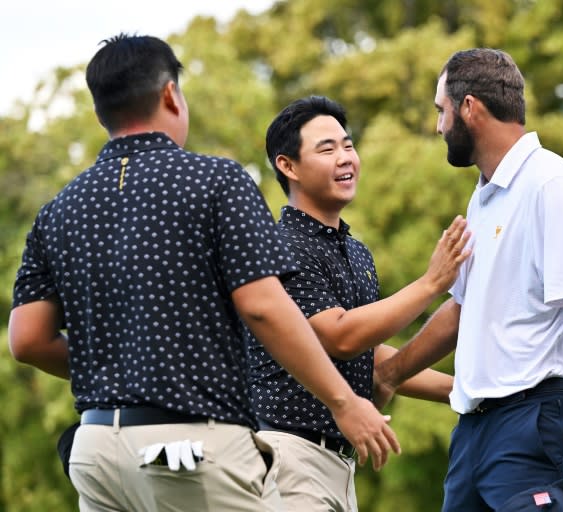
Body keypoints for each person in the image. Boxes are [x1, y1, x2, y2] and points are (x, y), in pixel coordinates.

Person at [8, 34, 399, 512]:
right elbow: (262, 307)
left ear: (99, 113)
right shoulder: (216, 181)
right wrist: (343, 402)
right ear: (171, 94)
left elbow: (27, 340)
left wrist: (126, 367)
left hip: (95, 454)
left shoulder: (57, 211)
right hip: (187, 450)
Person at [374, 48, 563, 511]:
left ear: (469, 108)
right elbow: (462, 312)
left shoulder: (553, 185)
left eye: (440, 111)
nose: (438, 126)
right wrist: (390, 373)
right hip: (474, 433)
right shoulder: (484, 199)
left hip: (535, 423)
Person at [249, 95, 470, 511]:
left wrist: (471, 393)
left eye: (348, 145)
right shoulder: (281, 246)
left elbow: (368, 359)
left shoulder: (356, 252)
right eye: (327, 149)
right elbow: (339, 337)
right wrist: (430, 284)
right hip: (287, 455)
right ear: (288, 166)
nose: (345, 158)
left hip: (338, 464)